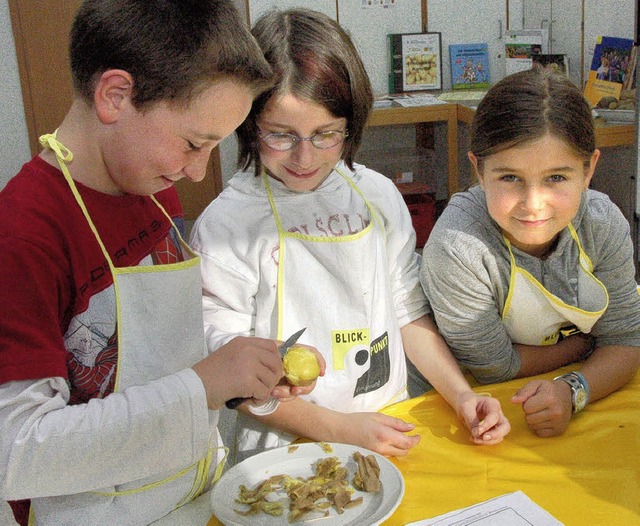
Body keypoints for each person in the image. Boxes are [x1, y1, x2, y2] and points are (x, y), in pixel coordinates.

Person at [0, 1, 320, 524]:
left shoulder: (150, 186)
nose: (197, 173)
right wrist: (203, 386)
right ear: (115, 95)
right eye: (194, 143)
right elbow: (17, 452)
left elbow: (156, 355)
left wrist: (237, 377)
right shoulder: (25, 233)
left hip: (193, 493)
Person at [189, 8, 510, 464]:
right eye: (281, 135)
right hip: (284, 451)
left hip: (387, 425)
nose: (304, 156)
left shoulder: (376, 195)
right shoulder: (227, 226)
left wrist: (461, 395)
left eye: (326, 134)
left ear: (351, 124)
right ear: (247, 121)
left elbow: (407, 311)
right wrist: (339, 428)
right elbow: (229, 368)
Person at [416, 66, 640, 438]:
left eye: (556, 178)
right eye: (509, 178)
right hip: (475, 409)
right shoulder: (459, 246)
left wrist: (573, 390)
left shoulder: (602, 224)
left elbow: (626, 341)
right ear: (479, 169)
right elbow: (496, 367)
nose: (533, 205)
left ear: (588, 170)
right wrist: (583, 345)